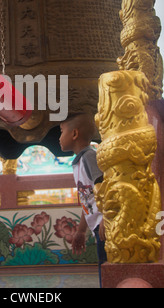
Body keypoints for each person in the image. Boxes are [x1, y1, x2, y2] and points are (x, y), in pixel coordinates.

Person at [59, 114, 107, 287]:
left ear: (74, 134)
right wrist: (81, 231)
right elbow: (88, 199)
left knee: (107, 270)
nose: (59, 137)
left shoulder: (88, 157)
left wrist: (106, 218)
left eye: (61, 131)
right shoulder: (78, 162)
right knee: (104, 269)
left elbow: (104, 186)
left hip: (105, 227)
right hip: (97, 227)